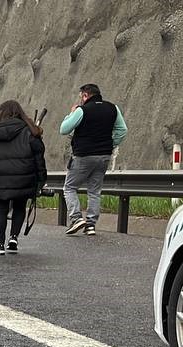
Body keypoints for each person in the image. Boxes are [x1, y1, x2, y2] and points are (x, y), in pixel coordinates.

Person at [0, 100, 47, 256]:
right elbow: (39, 157)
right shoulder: (29, 131)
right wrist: (41, 179)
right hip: (22, 176)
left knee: (0, 209)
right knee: (19, 206)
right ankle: (14, 238)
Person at [59, 83, 127, 236]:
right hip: (103, 156)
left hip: (83, 155)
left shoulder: (82, 110)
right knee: (94, 191)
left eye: (81, 96)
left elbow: (64, 129)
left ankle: (76, 218)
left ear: (85, 95)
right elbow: (123, 130)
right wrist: (110, 144)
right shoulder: (112, 108)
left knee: (69, 188)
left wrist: (71, 114)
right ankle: (90, 225)